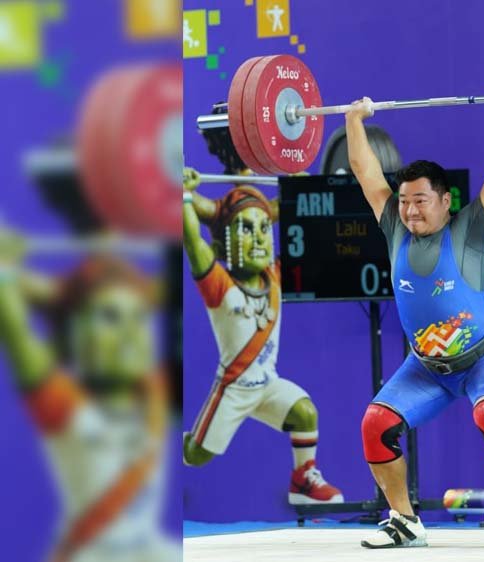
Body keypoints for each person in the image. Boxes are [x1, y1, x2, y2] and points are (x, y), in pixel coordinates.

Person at [346, 90, 484, 549]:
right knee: (375, 425)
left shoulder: (472, 228)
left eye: (420, 200)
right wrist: (354, 120)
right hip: (426, 368)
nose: (410, 210)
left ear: (445, 200)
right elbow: (365, 171)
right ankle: (404, 521)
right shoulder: (394, 227)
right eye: (404, 201)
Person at [0, 235, 179, 562]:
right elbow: (14, 325)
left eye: (139, 317)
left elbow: (183, 284)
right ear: (76, 334)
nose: (129, 332)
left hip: (148, 552)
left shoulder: (155, 390)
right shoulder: (65, 406)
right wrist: (6, 271)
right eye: (109, 317)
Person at [181, 169, 342, 505]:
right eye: (245, 228)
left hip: (267, 385)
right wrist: (182, 195)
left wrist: (302, 189)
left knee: (305, 412)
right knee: (196, 456)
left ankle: (302, 482)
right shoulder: (219, 285)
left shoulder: (275, 275)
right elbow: (193, 241)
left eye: (264, 228)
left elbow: (307, 224)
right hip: (234, 389)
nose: (257, 238)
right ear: (223, 242)